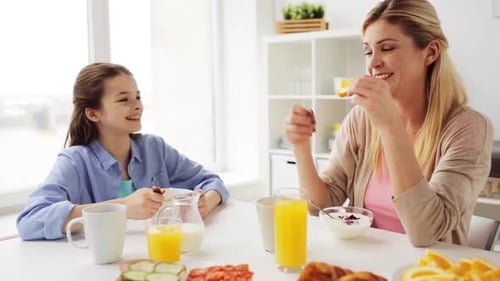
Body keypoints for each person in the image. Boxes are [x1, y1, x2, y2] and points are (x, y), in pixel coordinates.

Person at [285, 0, 493, 247]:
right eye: (368, 51)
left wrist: (390, 126)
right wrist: (301, 146)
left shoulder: (468, 128)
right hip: (370, 265)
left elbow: (426, 232)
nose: (373, 63)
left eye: (387, 48)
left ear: (431, 52)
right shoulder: (361, 119)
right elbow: (321, 205)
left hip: (430, 270)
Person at [16, 62, 229, 240]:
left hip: (160, 256)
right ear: (93, 114)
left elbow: (210, 181)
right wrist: (123, 207)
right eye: (123, 99)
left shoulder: (154, 148)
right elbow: (30, 221)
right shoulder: (75, 161)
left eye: (138, 97)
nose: (137, 105)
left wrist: (205, 204)